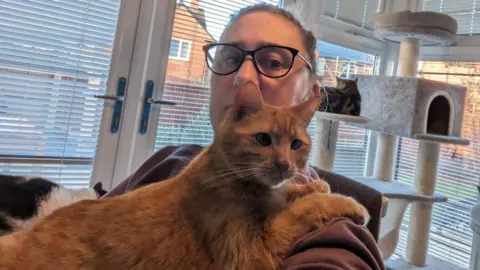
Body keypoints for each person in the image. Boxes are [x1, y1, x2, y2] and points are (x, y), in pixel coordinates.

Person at [104, 4, 385, 270]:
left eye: (273, 62)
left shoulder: (332, 228)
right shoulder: (169, 158)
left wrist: (310, 209)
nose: (243, 76)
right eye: (230, 58)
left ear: (310, 98)